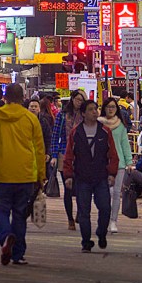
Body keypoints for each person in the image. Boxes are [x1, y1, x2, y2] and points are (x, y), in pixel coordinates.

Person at [0, 83, 46, 266]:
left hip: (0, 174)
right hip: (25, 175)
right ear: (23, 98)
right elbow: (39, 149)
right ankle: (18, 254)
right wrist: (41, 175)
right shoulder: (30, 119)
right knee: (19, 214)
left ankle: (5, 237)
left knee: (1, 211)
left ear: (5, 98)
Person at [63, 99, 119, 253]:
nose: (95, 112)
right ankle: (86, 242)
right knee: (83, 211)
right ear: (83, 113)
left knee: (105, 208)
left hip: (101, 177)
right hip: (82, 178)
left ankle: (101, 233)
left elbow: (113, 155)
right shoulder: (76, 132)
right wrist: (68, 175)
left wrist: (112, 173)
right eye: (90, 109)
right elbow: (69, 156)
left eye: (96, 109)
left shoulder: (105, 131)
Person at [50, 90, 86, 230]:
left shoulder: (85, 116)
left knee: (80, 187)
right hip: (64, 154)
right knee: (68, 188)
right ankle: (70, 219)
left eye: (81, 100)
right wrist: (54, 154)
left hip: (82, 156)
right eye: (77, 99)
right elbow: (55, 135)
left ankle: (79, 212)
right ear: (72, 99)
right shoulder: (62, 115)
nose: (79, 102)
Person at [98, 97, 133, 234]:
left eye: (113, 107)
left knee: (116, 193)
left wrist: (129, 161)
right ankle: (104, 219)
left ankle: (113, 221)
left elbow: (125, 145)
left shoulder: (120, 126)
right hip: (102, 164)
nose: (111, 109)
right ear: (104, 108)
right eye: (108, 107)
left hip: (119, 164)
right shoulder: (98, 125)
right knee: (104, 193)